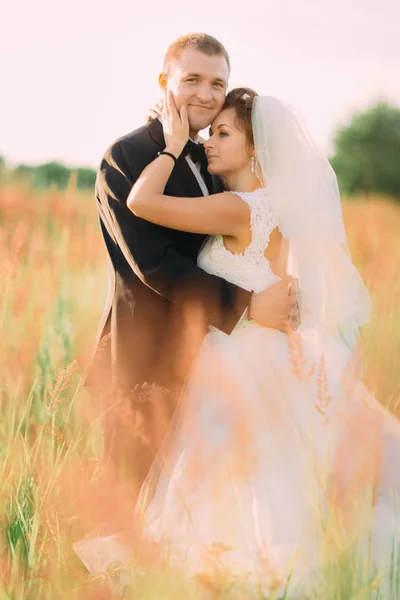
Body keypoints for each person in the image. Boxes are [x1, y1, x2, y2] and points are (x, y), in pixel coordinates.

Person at [74, 86, 400, 596]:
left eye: (224, 134)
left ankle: (245, 571)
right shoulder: (274, 208)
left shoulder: (238, 207)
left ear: (255, 149)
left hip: (237, 360)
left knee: (234, 479)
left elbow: (141, 201)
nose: (209, 142)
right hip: (264, 354)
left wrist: (168, 144)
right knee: (271, 475)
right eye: (212, 132)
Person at [84, 33, 297, 490]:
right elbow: (153, 264)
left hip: (213, 357)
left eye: (218, 84)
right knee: (129, 500)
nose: (206, 93)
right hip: (146, 352)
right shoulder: (126, 157)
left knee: (203, 494)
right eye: (193, 79)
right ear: (165, 82)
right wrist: (248, 304)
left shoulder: (210, 156)